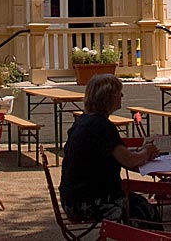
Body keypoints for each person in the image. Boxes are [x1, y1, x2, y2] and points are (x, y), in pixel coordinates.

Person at [59, 73, 160, 226]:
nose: (122, 96)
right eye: (119, 93)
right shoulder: (101, 126)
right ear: (109, 97)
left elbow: (117, 153)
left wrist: (140, 152)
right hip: (89, 202)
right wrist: (147, 151)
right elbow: (129, 160)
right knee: (143, 209)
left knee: (137, 203)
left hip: (73, 199)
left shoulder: (84, 121)